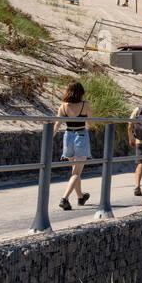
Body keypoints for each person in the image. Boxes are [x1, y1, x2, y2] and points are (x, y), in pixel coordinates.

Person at [56, 82, 91, 210]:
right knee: (77, 172)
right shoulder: (85, 105)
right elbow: (90, 122)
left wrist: (51, 136)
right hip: (81, 136)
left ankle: (81, 197)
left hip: (68, 136)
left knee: (74, 171)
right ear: (81, 92)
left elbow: (57, 124)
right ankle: (64, 198)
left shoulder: (63, 106)